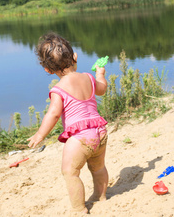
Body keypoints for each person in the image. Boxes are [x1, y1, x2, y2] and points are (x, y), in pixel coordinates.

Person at [27, 32, 109, 214]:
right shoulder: (88, 77)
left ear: (47, 70)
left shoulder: (58, 89)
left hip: (80, 139)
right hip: (100, 132)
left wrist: (40, 134)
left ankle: (79, 209)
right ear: (75, 57)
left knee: (70, 172)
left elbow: (54, 114)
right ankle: (101, 196)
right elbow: (102, 90)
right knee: (98, 167)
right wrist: (100, 74)